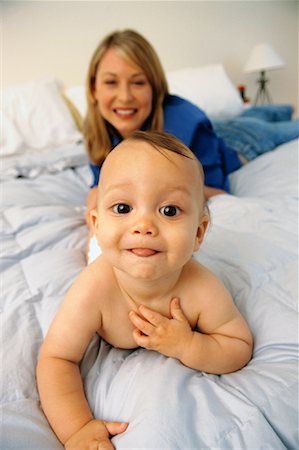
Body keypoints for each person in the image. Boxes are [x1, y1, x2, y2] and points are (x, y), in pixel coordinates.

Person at [37, 131, 253, 450]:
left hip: (132, 249)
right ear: (99, 222)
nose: (144, 226)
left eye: (169, 211)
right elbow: (56, 358)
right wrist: (78, 429)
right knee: (97, 252)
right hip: (110, 255)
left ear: (198, 233)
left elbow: (238, 346)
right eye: (123, 207)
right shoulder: (94, 288)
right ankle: (94, 229)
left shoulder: (201, 287)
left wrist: (187, 344)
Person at [83, 29, 241, 228]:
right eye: (111, 82)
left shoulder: (190, 124)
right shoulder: (97, 127)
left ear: (155, 88)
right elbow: (99, 184)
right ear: (94, 89)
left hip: (239, 142)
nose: (124, 97)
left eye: (138, 82)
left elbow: (219, 194)